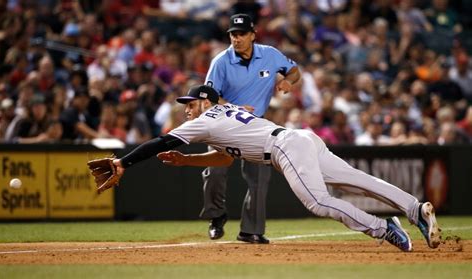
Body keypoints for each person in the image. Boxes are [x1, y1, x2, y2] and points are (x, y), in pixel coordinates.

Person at [112, 84, 441, 252]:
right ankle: (415, 208)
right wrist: (188, 161)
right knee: (357, 179)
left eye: (191, 103)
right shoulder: (224, 115)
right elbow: (225, 158)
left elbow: (160, 142)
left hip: (283, 148)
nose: (187, 110)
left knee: (318, 202)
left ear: (207, 102)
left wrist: (122, 162)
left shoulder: (206, 119)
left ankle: (385, 229)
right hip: (299, 139)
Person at [201, 13, 300, 243]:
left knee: (259, 178)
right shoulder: (221, 61)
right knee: (215, 171)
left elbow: (294, 70)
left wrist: (288, 81)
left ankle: (251, 230)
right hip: (223, 123)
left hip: (256, 125)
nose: (236, 39)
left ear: (253, 35)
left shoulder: (270, 55)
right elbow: (208, 97)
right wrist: (234, 108)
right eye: (233, 35)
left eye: (241, 34)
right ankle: (216, 217)